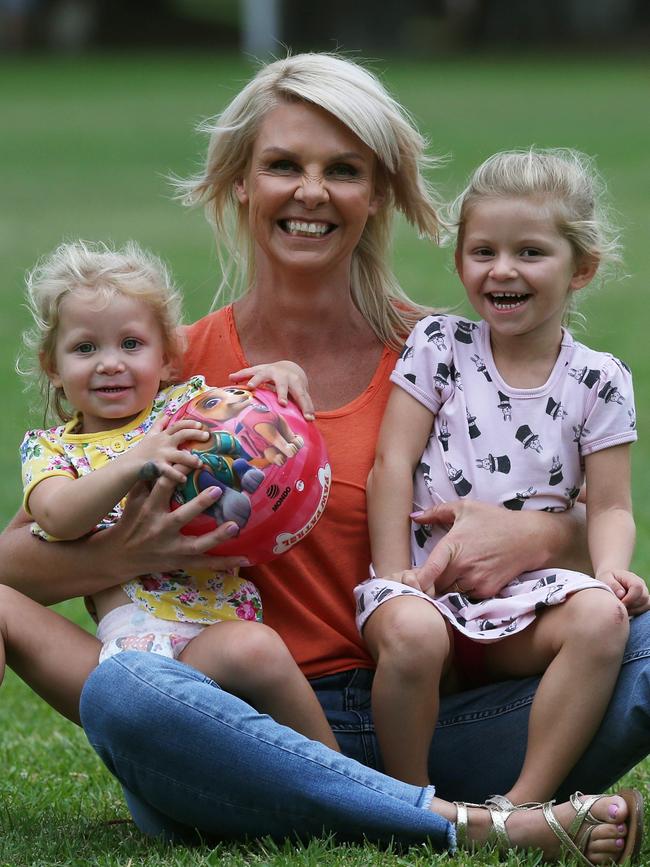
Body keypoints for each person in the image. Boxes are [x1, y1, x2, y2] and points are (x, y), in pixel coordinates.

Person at [0, 54, 647, 864]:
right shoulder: (173, 373)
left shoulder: (449, 354)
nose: (311, 191)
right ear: (241, 182)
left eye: (343, 169)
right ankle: (477, 827)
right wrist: (127, 549)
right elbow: (15, 564)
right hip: (244, 732)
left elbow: (599, 526)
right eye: (282, 165)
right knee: (130, 692)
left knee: (638, 633)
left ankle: (415, 805)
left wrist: (542, 537)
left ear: (376, 192)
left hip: (435, 718)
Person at [357, 148, 649, 801]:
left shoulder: (598, 380)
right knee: (410, 628)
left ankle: (524, 801)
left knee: (604, 619)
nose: (503, 269)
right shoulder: (439, 346)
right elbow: (390, 464)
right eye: (482, 251)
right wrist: (392, 576)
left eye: (530, 252)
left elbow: (608, 506)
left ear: (582, 268)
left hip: (526, 602)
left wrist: (609, 569)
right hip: (424, 588)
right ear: (460, 260)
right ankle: (411, 804)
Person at [14, 237, 339, 751]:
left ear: (167, 359)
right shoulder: (53, 450)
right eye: (84, 348)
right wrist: (133, 462)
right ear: (53, 368)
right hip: (132, 655)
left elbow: (254, 425)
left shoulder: (187, 408)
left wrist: (284, 375)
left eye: (130, 345)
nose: (109, 363)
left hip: (216, 631)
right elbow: (57, 517)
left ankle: (350, 784)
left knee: (257, 650)